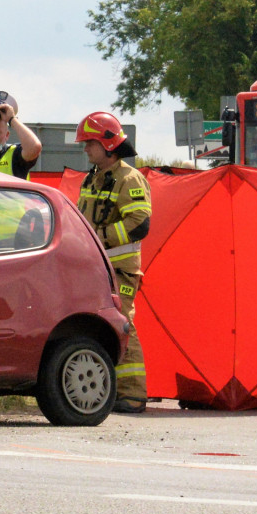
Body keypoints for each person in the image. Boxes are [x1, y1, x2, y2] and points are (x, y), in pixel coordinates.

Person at [75, 111, 152, 414]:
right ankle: (112, 391)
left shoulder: (129, 178)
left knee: (123, 326)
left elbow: (140, 223)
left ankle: (133, 395)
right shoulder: (91, 179)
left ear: (107, 145)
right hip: (96, 269)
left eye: (89, 143)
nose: (85, 149)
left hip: (120, 270)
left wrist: (100, 237)